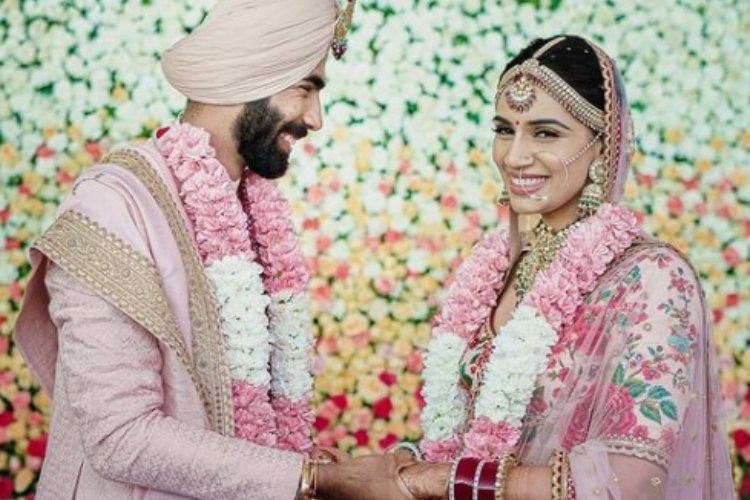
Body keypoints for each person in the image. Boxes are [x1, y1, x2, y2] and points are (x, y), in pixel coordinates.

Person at [13, 0, 411, 498]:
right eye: (306, 88)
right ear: (250, 75)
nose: (316, 119)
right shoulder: (111, 210)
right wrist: (316, 479)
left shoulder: (248, 207)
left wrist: (290, 462)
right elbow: (120, 437)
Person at [383, 35, 734, 500]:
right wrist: (403, 461)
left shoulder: (651, 279)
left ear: (602, 145)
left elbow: (627, 481)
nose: (514, 156)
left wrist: (431, 481)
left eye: (545, 133)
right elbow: (467, 433)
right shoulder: (498, 269)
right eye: (505, 129)